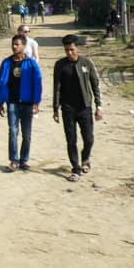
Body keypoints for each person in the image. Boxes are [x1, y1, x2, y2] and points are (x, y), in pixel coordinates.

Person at [53, 34, 103, 182]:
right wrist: (56, 108)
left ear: (77, 48)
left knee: (89, 138)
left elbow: (95, 84)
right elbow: (57, 87)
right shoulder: (60, 65)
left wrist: (98, 106)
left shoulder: (86, 63)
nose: (69, 53)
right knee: (71, 139)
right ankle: (75, 168)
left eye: (72, 49)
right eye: (66, 50)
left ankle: (85, 158)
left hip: (85, 107)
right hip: (68, 108)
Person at [0, 35, 42, 171]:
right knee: (13, 131)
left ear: (24, 46)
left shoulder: (31, 63)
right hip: (12, 103)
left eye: (17, 44)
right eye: (13, 44)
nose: (14, 47)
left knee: (26, 134)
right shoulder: (6, 63)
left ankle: (24, 160)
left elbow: (37, 83)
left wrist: (36, 102)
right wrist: (0, 102)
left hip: (27, 103)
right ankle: (14, 160)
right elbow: (1, 82)